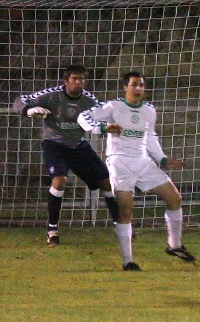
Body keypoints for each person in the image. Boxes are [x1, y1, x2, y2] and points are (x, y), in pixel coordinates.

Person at [78, 71, 195, 271]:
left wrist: (163, 159)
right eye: (134, 85)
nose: (139, 88)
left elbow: (150, 137)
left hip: (143, 162)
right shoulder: (113, 106)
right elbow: (83, 117)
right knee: (125, 212)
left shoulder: (149, 110)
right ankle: (128, 261)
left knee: (175, 198)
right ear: (126, 88)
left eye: (141, 85)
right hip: (120, 163)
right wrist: (103, 129)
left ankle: (174, 245)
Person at [12, 64, 121, 246]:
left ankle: (121, 226)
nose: (78, 82)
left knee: (107, 182)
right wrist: (28, 110)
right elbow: (20, 100)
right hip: (54, 145)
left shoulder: (89, 100)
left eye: (82, 79)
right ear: (66, 81)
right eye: (74, 79)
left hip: (78, 146)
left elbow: (100, 118)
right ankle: (52, 230)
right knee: (59, 181)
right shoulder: (51, 95)